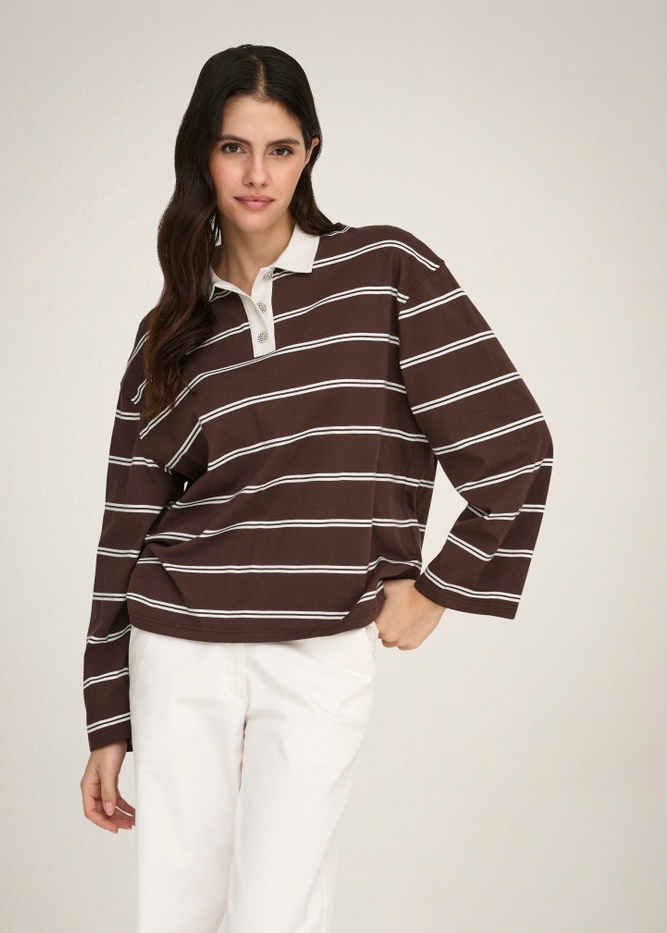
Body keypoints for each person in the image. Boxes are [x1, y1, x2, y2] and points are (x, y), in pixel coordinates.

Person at [80, 43, 553, 933]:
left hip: (321, 645)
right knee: (176, 913)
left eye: (281, 148)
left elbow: (515, 443)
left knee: (279, 912)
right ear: (202, 156)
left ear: (311, 153)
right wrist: (107, 716)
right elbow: (126, 526)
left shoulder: (386, 271)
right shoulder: (168, 331)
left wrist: (441, 586)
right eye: (233, 148)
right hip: (178, 647)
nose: (257, 174)